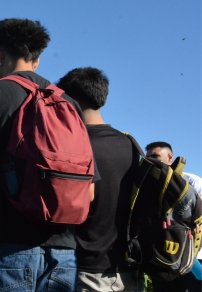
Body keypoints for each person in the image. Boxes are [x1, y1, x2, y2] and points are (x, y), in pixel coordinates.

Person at [0, 18, 98, 292]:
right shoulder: (68, 103)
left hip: (1, 249)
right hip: (62, 256)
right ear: (36, 59)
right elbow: (90, 191)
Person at [56, 67, 142, 291]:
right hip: (129, 270)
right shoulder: (131, 145)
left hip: (85, 268)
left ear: (71, 100)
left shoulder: (75, 145)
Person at [144, 141, 202, 291]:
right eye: (148, 157)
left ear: (170, 157)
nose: (151, 160)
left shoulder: (192, 182)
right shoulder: (147, 187)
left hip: (192, 258)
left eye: (156, 156)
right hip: (161, 258)